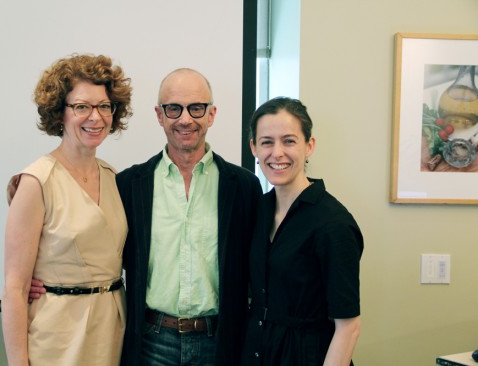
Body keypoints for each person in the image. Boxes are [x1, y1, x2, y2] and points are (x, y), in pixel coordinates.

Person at [116, 68, 263, 365]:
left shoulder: (244, 187)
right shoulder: (130, 185)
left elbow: (259, 268)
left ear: (211, 114)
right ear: (160, 115)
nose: (186, 119)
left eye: (196, 108)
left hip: (220, 343)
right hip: (151, 344)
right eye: (174, 108)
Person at [1, 54, 132, 366]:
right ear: (59, 112)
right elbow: (15, 288)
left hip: (112, 329)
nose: (95, 117)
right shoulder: (37, 180)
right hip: (57, 336)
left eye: (103, 106)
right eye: (81, 106)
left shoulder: (114, 178)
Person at [242, 97, 363, 366]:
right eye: (266, 142)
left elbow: (349, 327)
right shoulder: (258, 211)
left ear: (309, 146)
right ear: (254, 148)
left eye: (289, 141)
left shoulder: (333, 223)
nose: (277, 153)